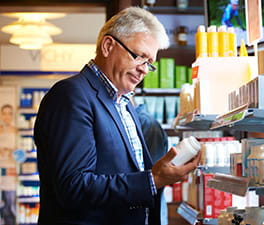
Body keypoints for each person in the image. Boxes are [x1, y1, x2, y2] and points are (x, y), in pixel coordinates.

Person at [34, 7, 200, 225]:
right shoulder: (71, 96)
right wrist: (153, 179)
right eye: (140, 57)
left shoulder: (124, 104)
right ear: (108, 46)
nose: (143, 70)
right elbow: (73, 187)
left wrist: (163, 173)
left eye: (149, 64)